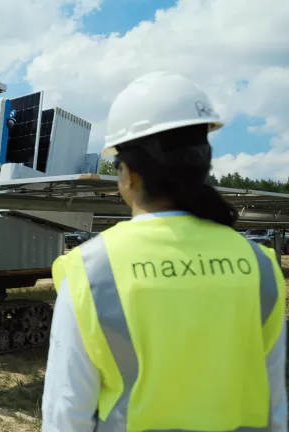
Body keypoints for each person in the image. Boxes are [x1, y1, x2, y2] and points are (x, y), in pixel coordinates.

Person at [41, 71, 287, 431]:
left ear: (129, 174)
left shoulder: (91, 270)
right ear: (203, 162)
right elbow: (274, 405)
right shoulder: (260, 265)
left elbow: (67, 412)